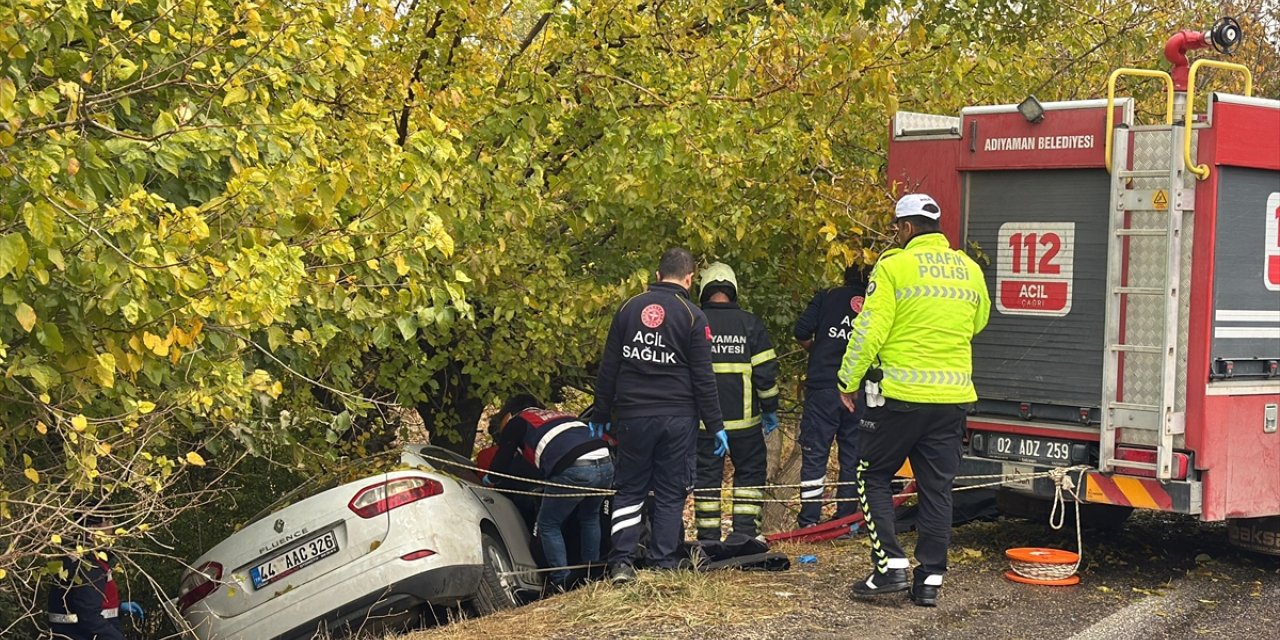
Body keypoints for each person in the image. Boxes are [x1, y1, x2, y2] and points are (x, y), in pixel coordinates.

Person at [839, 194, 990, 607]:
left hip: (900, 399)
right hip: (953, 399)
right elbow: (979, 322)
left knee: (871, 475)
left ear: (905, 228)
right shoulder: (969, 269)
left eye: (896, 228)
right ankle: (930, 580)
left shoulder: (894, 267)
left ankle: (889, 566)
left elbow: (869, 331)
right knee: (937, 489)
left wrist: (847, 380)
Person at [592, 247, 728, 584]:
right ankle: (662, 561)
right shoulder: (693, 316)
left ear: (656, 275)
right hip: (677, 418)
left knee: (629, 490)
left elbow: (609, 366)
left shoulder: (628, 309)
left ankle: (621, 563)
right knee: (671, 490)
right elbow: (703, 377)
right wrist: (716, 425)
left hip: (633, 416)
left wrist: (601, 410)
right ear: (689, 279)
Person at [487, 395, 614, 591]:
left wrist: (489, 480)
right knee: (590, 517)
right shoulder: (559, 416)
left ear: (508, 415)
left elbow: (501, 462)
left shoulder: (518, 421)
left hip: (575, 467)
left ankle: (561, 579)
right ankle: (592, 571)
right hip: (605, 462)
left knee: (548, 524)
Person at [692, 262, 778, 543]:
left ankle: (707, 539)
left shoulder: (694, 321)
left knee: (706, 480)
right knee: (750, 476)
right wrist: (770, 409)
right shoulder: (750, 323)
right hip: (746, 426)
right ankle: (744, 535)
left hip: (705, 425)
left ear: (704, 290)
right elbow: (765, 374)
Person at [793, 265, 870, 530]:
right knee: (852, 456)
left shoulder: (827, 296)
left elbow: (801, 331)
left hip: (824, 388)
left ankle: (810, 522)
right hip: (859, 391)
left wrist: (818, 351)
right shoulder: (876, 301)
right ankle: (846, 522)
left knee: (815, 456)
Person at [48, 513, 126, 640]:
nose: (112, 526)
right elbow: (88, 615)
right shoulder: (88, 564)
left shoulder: (72, 556)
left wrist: (118, 605)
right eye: (107, 522)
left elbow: (81, 598)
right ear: (92, 528)